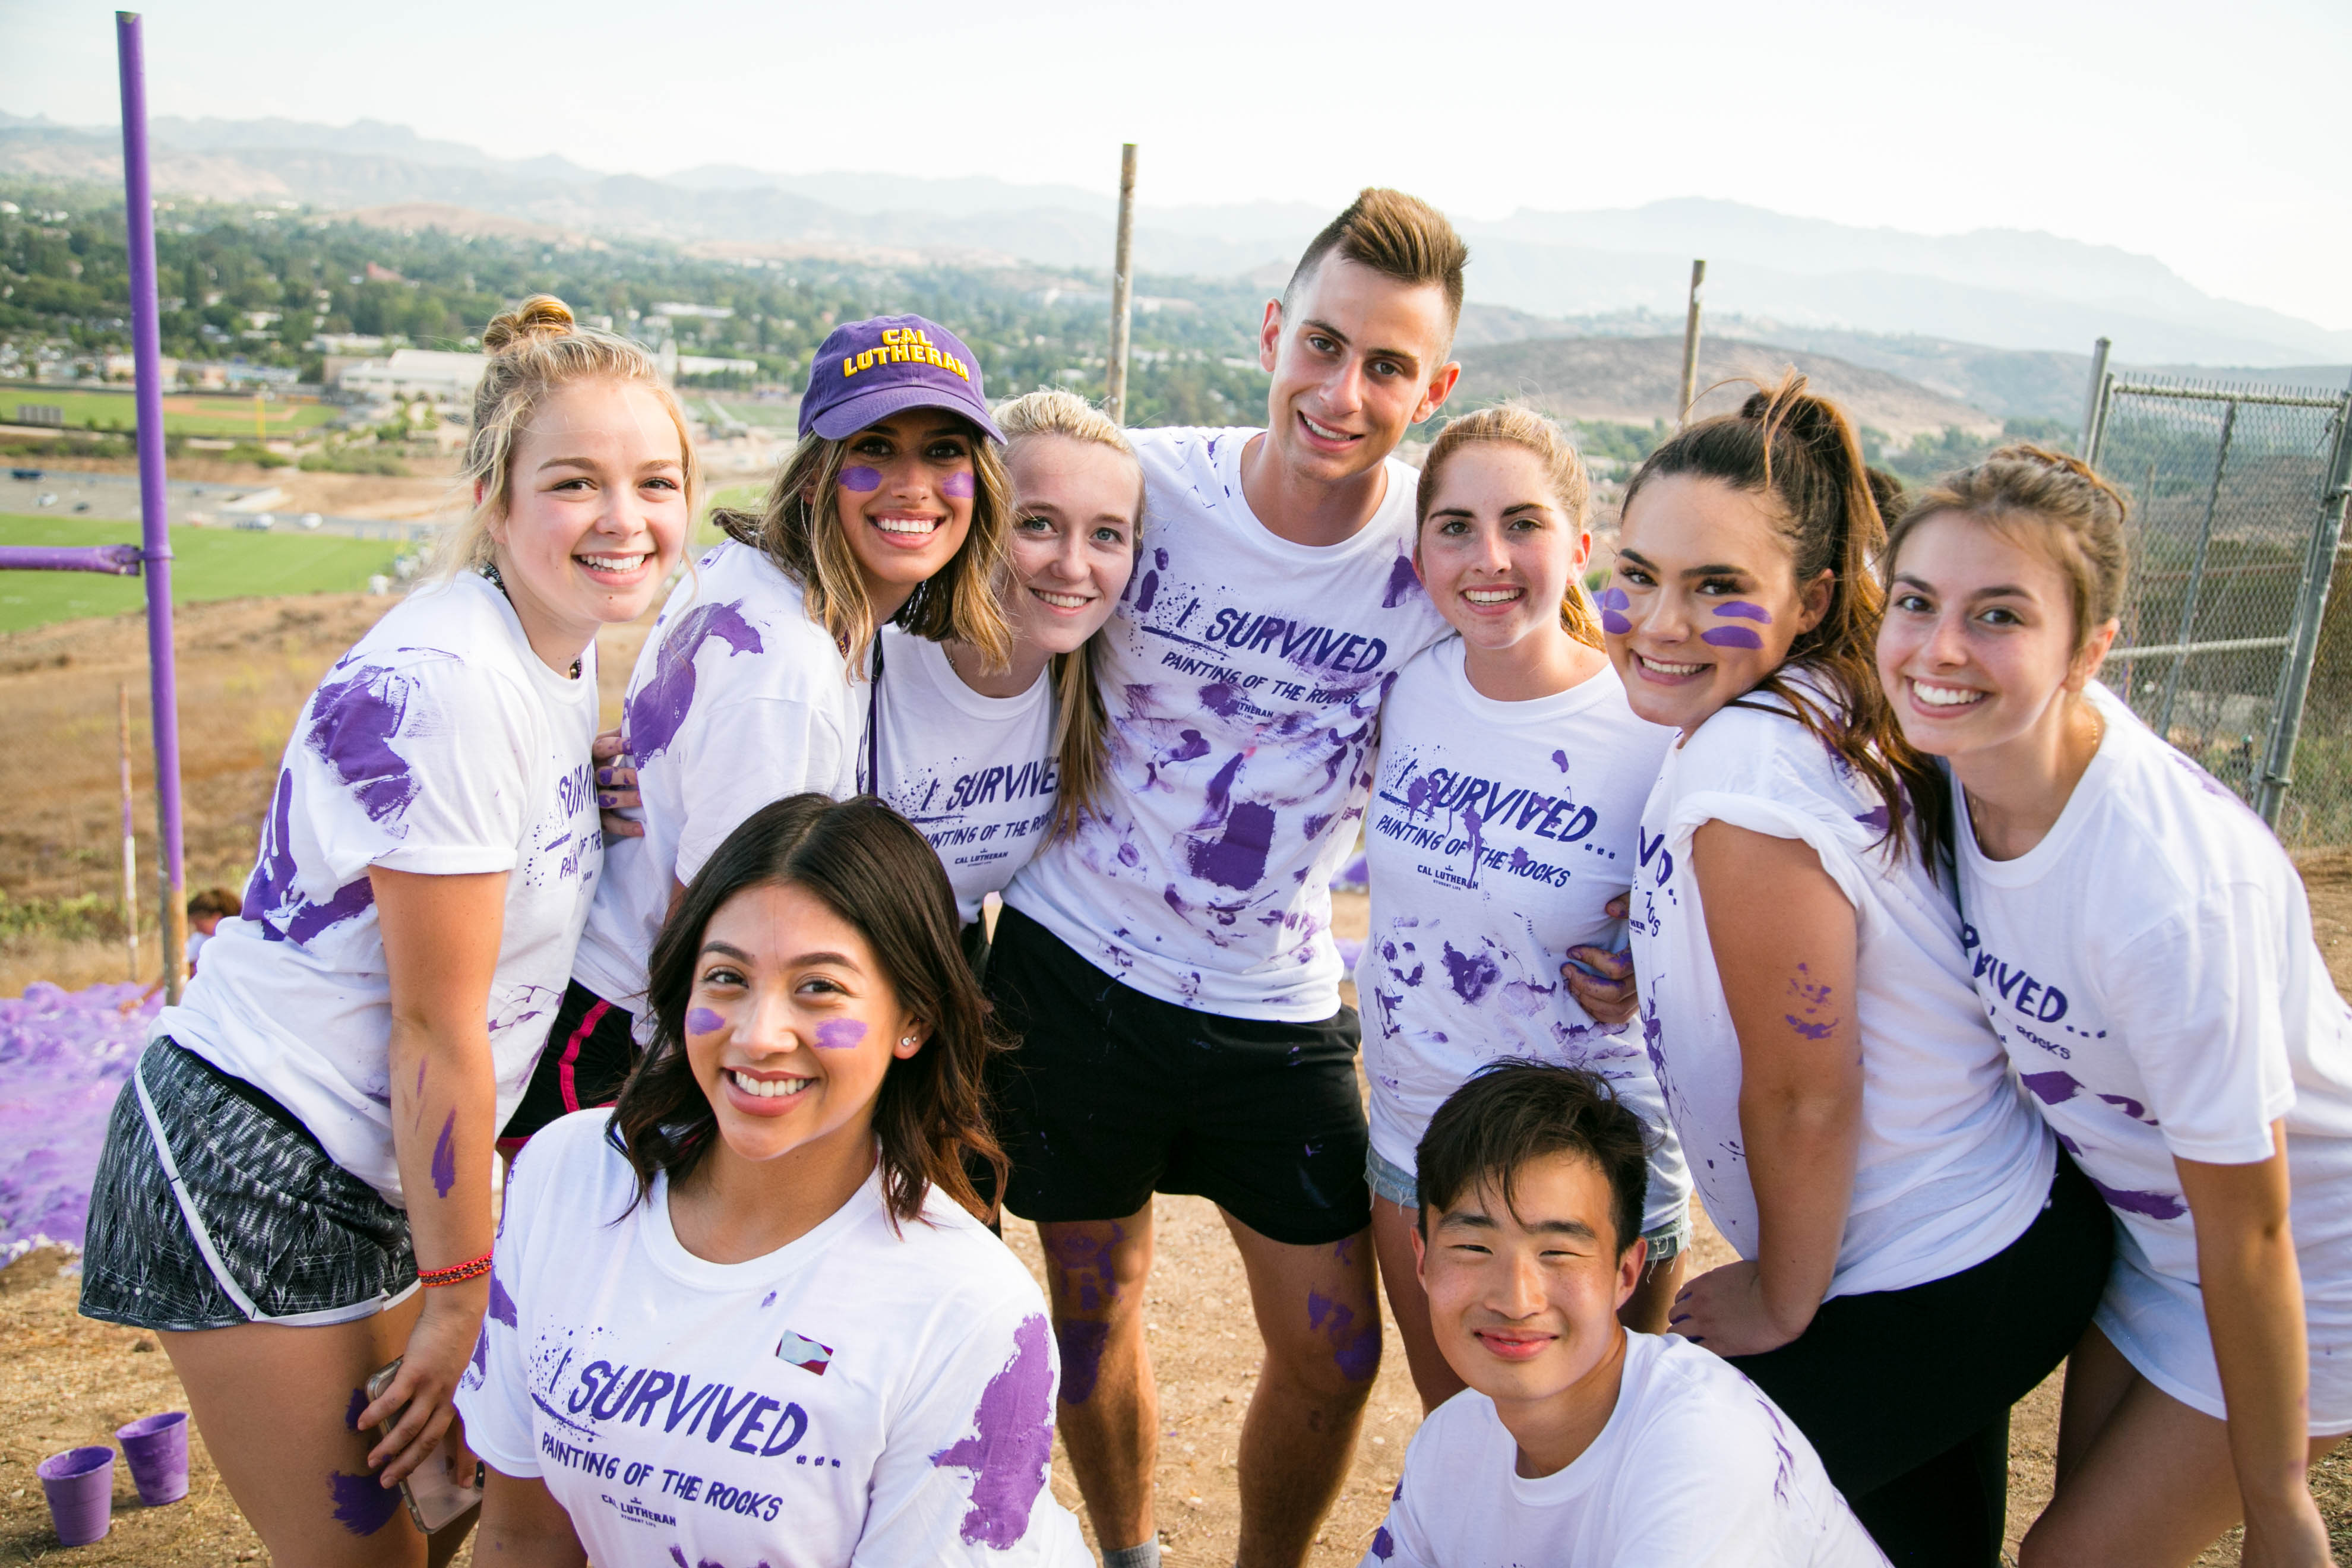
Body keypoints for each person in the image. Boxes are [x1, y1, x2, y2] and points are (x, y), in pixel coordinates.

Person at [78, 296, 692, 1567]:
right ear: (495, 495)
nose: (624, 519)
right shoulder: (450, 685)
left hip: (377, 1176)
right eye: (575, 482)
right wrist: (461, 1304)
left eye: (655, 481)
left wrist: (594, 787)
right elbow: (432, 1027)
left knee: (456, 1507)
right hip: (259, 1161)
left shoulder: (552, 649)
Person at [1605, 375, 2111, 1566]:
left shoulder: (1742, 775)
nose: (1662, 620)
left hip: (1934, 1268)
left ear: (1814, 595)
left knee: (1651, 1519)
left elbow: (1806, 1087)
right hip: (1992, 1232)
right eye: (1638, 574)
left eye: (1718, 586)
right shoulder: (1824, 702)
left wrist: (1784, 1293)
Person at [1875, 446, 2352, 1567]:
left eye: (1998, 615)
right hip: (2154, 1243)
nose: (1940, 649)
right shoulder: (1957, 758)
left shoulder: (2165, 899)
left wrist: (2277, 1505)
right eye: (1916, 602)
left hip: (2304, 1263)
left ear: (2090, 651)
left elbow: (2258, 1229)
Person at [455, 793, 1091, 1567]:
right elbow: (525, 1536)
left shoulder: (969, 1312)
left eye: (818, 987)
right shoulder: (567, 1177)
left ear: (914, 1021)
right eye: (726, 977)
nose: (758, 1035)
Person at [504, 314, 1014, 1154]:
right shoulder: (789, 674)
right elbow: (714, 925)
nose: (914, 485)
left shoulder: (753, 576)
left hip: (607, 1005)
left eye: (945, 452)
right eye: (875, 448)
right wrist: (689, 1119)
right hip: (638, 1044)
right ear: (816, 474)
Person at [1358, 404, 1684, 1414]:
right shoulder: (1407, 688)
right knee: (1464, 1442)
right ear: (1420, 551)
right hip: (1420, 1158)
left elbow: (1728, 931)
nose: (1488, 557)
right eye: (1455, 525)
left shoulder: (1654, 726)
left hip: (1587, 1184)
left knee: (1592, 1470)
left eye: (1524, 524)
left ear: (1582, 548)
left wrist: (1657, 966)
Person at [1362, 1061, 1888, 1566]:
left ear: (1626, 1272)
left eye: (1558, 1253)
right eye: (1475, 1248)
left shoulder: (1700, 1446)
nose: (1516, 1300)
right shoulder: (1449, 1445)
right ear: (1423, 1259)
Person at [873, 388, 1144, 966]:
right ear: (977, 523)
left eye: (1106, 534)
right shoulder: (870, 670)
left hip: (939, 997)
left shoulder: (1091, 705)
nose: (1073, 566)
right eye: (1038, 524)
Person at [122, 886, 242, 1012]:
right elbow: (176, 969)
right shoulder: (200, 940)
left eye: (199, 923)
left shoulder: (239, 939)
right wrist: (141, 1000)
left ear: (217, 917)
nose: (196, 928)